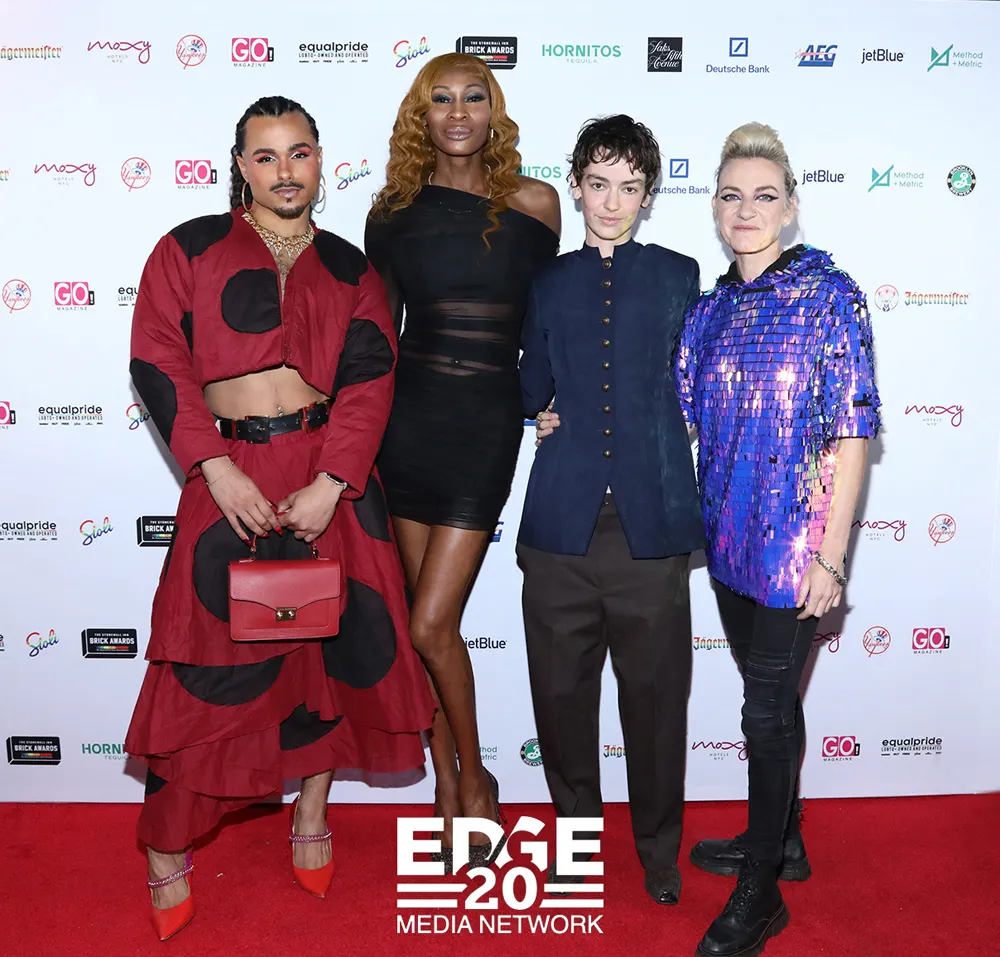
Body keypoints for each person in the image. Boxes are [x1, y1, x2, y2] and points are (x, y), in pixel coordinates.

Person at [125, 95, 434, 940]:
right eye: (265, 156)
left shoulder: (350, 267)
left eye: (298, 153)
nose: (284, 171)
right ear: (241, 166)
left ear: (319, 161)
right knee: (205, 665)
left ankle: (311, 813)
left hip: (331, 482)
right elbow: (156, 358)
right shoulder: (188, 247)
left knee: (329, 656)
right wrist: (213, 466)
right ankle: (166, 845)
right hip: (228, 476)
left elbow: (371, 377)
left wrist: (335, 479)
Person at [676, 123, 881, 957]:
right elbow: (674, 416)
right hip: (727, 546)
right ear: (715, 208)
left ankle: (760, 891)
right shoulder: (708, 312)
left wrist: (832, 556)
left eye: (764, 195)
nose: (747, 209)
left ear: (791, 206)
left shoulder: (831, 294)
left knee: (762, 712)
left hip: (798, 553)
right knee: (776, 706)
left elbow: (854, 434)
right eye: (732, 195)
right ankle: (783, 837)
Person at [364, 52, 561, 869]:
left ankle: (476, 778)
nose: (457, 112)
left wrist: (555, 397)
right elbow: (379, 335)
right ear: (422, 114)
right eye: (440, 99)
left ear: (493, 109)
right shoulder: (391, 212)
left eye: (472, 97)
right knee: (426, 628)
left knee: (429, 622)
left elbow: (549, 321)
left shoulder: (535, 203)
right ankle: (447, 782)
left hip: (486, 423)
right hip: (407, 423)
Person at [517, 115, 705, 905]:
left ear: (649, 194)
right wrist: (537, 410)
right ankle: (577, 843)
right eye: (598, 183)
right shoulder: (548, 280)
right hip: (560, 526)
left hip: (649, 526)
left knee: (656, 704)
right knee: (561, 700)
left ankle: (659, 849)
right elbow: (529, 382)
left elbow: (699, 378)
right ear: (576, 185)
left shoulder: (680, 274)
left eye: (629, 186)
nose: (612, 201)